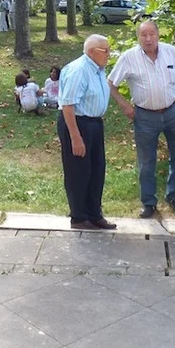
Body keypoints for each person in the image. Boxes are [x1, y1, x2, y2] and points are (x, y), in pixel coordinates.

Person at [108, 21, 175, 218]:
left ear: (158, 35)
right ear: (138, 37)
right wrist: (124, 104)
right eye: (143, 35)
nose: (148, 39)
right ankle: (149, 202)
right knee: (146, 162)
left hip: (173, 111)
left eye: (151, 34)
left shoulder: (171, 52)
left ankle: (174, 196)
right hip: (145, 116)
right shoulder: (129, 57)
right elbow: (110, 83)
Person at [57, 35, 117, 231]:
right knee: (79, 171)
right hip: (77, 122)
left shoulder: (98, 69)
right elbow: (68, 105)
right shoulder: (79, 70)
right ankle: (79, 216)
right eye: (105, 50)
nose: (108, 54)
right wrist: (75, 137)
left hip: (94, 123)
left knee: (97, 170)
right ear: (91, 52)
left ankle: (94, 214)